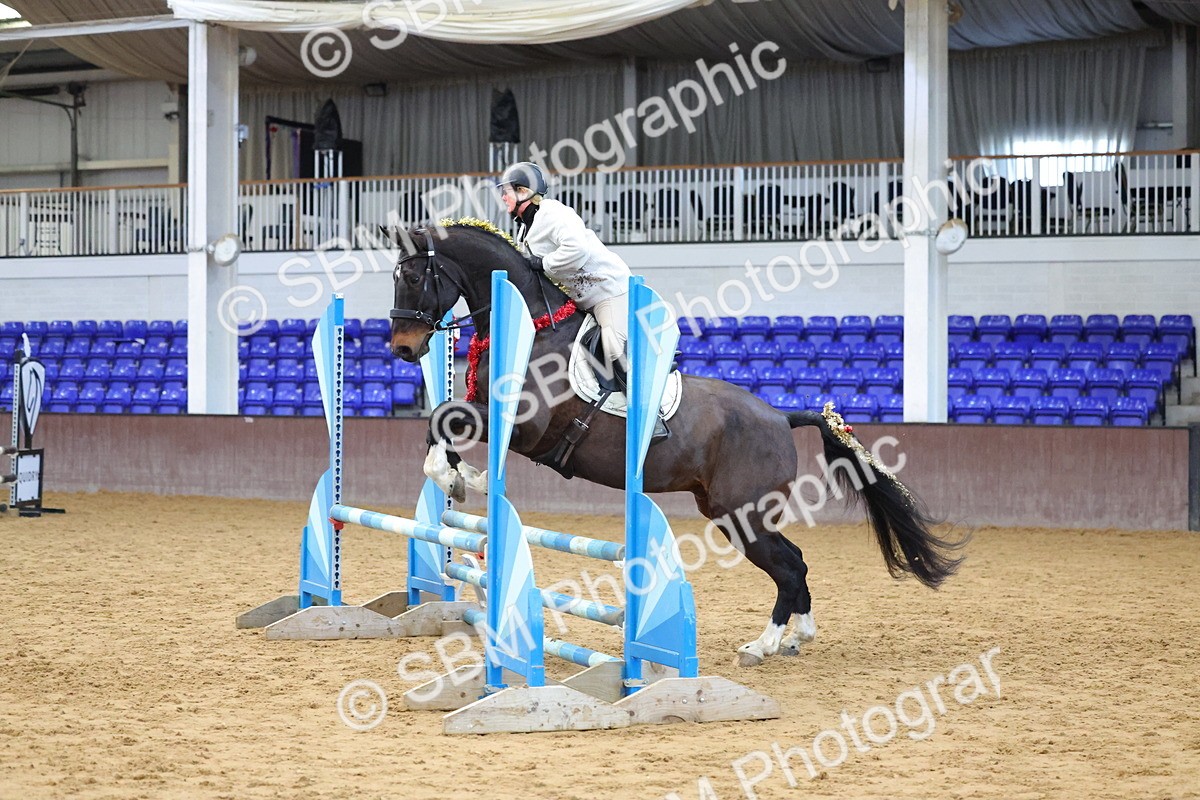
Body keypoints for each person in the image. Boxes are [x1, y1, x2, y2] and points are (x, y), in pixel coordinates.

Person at [497, 161, 634, 383]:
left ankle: (643, 401)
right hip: (579, 301)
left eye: (506, 192)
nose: (503, 198)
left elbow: (578, 249)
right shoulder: (524, 228)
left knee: (614, 349)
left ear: (524, 192)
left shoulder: (554, 214)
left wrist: (544, 263)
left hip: (607, 292)